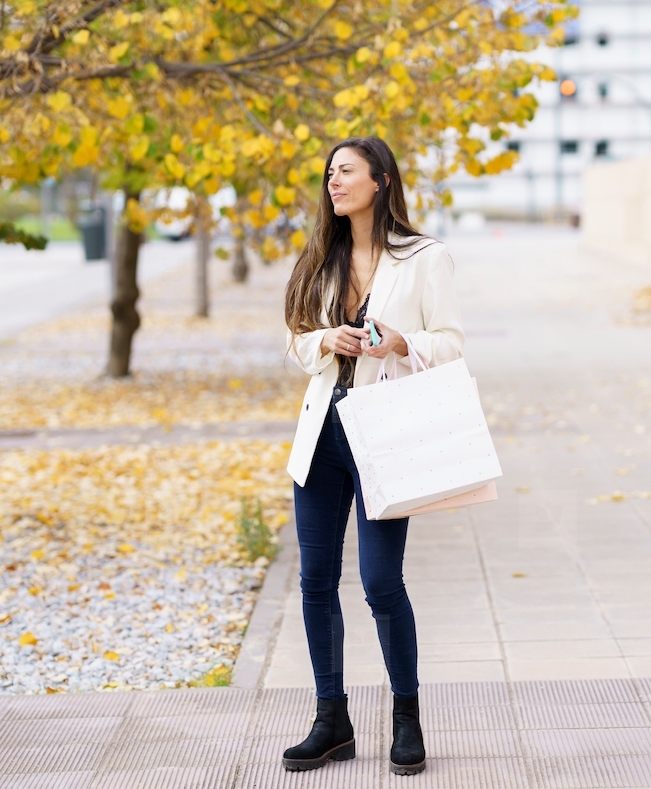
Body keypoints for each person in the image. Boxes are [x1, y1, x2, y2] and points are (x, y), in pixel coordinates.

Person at [281, 136, 464, 775]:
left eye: (347, 171)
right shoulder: (321, 257)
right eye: (329, 172)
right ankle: (331, 719)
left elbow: (451, 345)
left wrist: (399, 344)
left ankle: (406, 717)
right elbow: (295, 341)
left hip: (384, 433)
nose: (334, 182)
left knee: (382, 584)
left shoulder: (424, 257)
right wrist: (325, 340)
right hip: (322, 437)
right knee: (315, 581)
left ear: (381, 180)